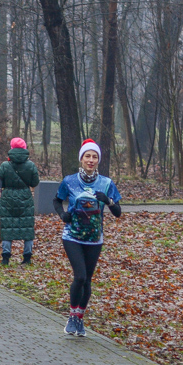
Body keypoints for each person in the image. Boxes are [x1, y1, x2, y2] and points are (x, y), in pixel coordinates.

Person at [53, 139, 122, 337]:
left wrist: (108, 201)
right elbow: (57, 200)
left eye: (94, 157)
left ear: (98, 160)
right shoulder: (70, 181)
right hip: (72, 236)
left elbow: (118, 212)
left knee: (88, 280)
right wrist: (63, 214)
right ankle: (71, 316)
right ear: (81, 159)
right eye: (87, 156)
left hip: (94, 238)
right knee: (80, 276)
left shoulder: (106, 183)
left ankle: (79, 318)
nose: (91, 160)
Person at [0, 137, 40, 265]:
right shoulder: (30, 165)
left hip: (8, 198)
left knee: (7, 227)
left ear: (11, 148)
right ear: (25, 148)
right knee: (27, 227)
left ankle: (5, 257)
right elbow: (34, 182)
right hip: (25, 197)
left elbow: (0, 182)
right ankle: (27, 257)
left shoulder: (5, 165)